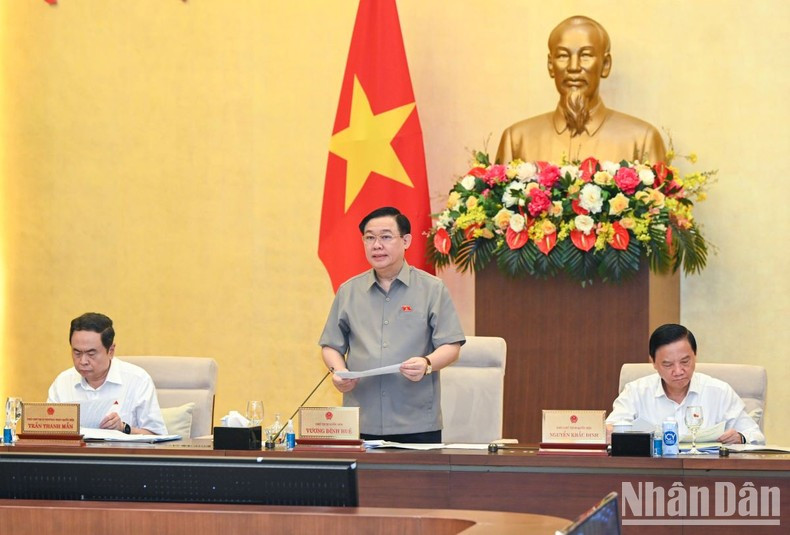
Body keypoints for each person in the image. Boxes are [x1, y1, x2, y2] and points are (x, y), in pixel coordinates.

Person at [319, 206, 466, 443]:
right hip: (360, 420)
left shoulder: (431, 289)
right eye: (369, 238)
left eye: (386, 237)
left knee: (417, 482)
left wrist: (427, 363)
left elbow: (451, 346)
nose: (377, 245)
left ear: (406, 240)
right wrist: (339, 371)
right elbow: (330, 346)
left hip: (416, 421)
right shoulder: (349, 291)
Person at [496, 15, 666, 164]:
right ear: (550, 65)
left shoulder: (642, 140)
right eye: (563, 56)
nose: (574, 67)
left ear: (605, 65)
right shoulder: (517, 139)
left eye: (586, 55)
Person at [606, 324, 765, 445]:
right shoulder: (636, 392)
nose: (678, 371)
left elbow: (755, 436)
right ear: (653, 362)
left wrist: (741, 438)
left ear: (695, 356)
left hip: (706, 477)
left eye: (685, 362)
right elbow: (612, 431)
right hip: (650, 476)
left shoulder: (719, 392)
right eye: (668, 365)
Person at [48, 312, 167, 435]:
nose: (83, 361)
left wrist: (123, 428)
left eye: (91, 354)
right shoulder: (62, 382)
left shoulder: (138, 380)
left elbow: (158, 436)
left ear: (111, 351)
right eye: (77, 353)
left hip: (121, 453)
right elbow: (47, 431)